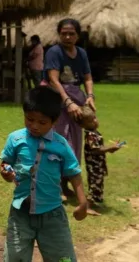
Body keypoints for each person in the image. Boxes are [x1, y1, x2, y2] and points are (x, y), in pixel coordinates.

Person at [0, 88, 87, 262]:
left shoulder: (60, 145)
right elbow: (5, 162)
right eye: (29, 119)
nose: (34, 126)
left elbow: (74, 173)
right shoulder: (16, 139)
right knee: (15, 258)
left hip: (52, 216)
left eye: (42, 122)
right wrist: (5, 172)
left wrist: (83, 202)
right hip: (21, 214)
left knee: (63, 259)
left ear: (54, 121)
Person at [43, 18, 95, 198]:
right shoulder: (54, 52)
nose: (67, 36)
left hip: (76, 101)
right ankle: (54, 186)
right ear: (59, 34)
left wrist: (89, 97)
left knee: (74, 143)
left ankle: (65, 185)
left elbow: (87, 78)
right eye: (64, 33)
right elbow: (53, 79)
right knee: (58, 140)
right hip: (57, 100)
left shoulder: (81, 53)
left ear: (77, 36)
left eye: (71, 33)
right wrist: (68, 102)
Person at [80, 107, 122, 216]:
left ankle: (93, 202)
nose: (94, 121)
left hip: (99, 164)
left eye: (94, 118)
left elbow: (101, 148)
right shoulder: (90, 136)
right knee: (95, 184)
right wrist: (109, 148)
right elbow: (96, 150)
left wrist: (112, 148)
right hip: (94, 166)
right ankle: (87, 207)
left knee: (98, 183)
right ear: (84, 125)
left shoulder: (95, 133)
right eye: (90, 120)